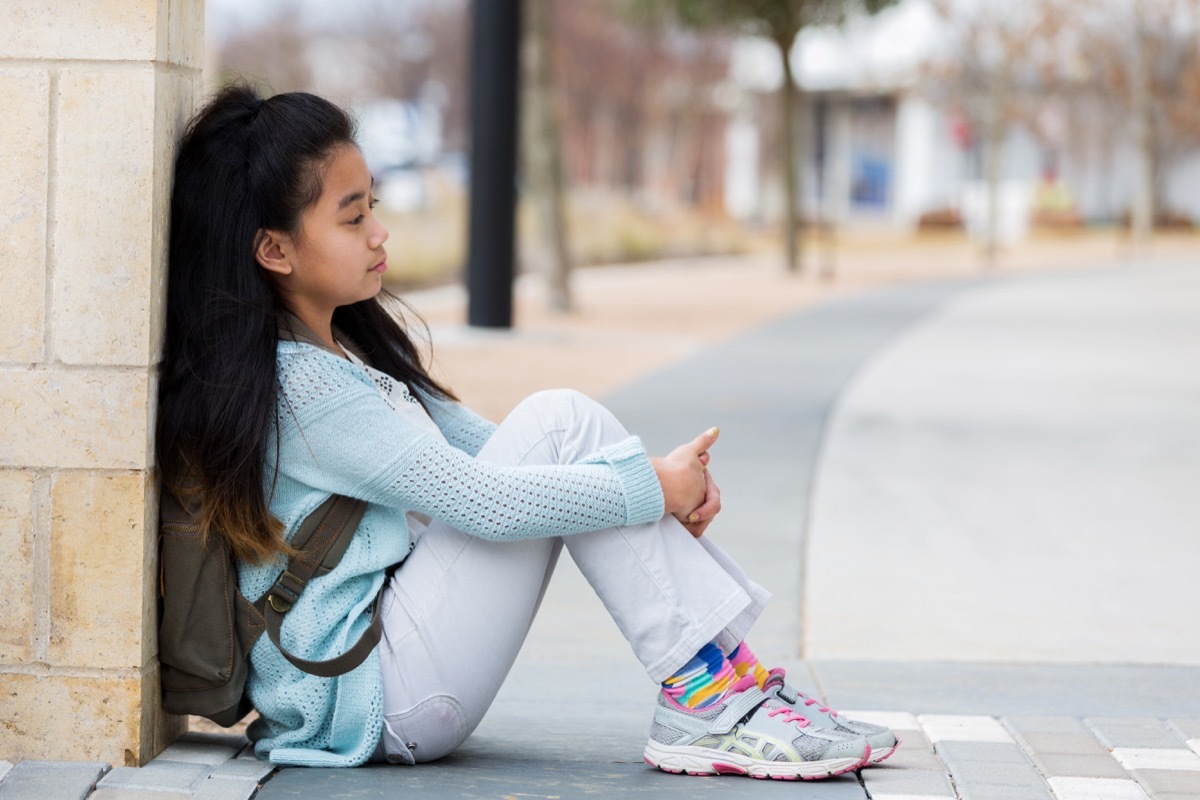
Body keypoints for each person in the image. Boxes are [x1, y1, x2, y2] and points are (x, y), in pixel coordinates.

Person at [157, 84, 898, 780]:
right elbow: (485, 502)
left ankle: (722, 687)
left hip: (389, 671)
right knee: (559, 420)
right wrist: (652, 489)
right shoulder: (302, 387)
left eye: (373, 206)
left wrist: (653, 485)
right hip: (374, 696)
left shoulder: (337, 354)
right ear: (274, 250)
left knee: (563, 424)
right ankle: (712, 699)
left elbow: (494, 451)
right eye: (352, 218)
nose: (381, 231)